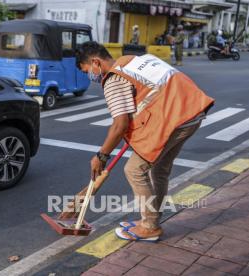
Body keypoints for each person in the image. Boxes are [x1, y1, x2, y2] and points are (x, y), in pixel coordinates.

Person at [76, 42, 214, 241]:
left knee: (133, 170)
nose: (91, 76)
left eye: (87, 70)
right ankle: (151, 220)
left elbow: (120, 124)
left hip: (175, 118)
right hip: (192, 111)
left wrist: (102, 155)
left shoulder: (114, 79)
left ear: (95, 62)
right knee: (160, 170)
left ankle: (150, 226)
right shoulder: (131, 60)